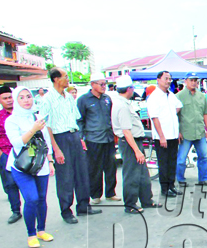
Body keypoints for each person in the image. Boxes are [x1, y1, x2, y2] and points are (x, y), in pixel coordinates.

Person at [40, 67, 102, 224]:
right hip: (59, 139)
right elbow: (46, 127)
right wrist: (55, 148)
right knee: (65, 177)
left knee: (82, 173)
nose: (68, 79)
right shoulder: (47, 99)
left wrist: (79, 138)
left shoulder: (68, 97)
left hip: (74, 136)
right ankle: (66, 210)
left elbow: (75, 120)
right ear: (56, 79)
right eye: (65, 76)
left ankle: (83, 206)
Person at [5, 87, 55, 248]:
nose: (26, 100)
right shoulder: (11, 120)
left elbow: (46, 141)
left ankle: (41, 230)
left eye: (28, 96)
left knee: (41, 198)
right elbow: (17, 143)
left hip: (40, 164)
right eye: (21, 97)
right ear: (16, 100)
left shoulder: (38, 116)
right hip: (21, 166)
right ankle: (31, 234)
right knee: (31, 198)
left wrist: (50, 161)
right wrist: (33, 129)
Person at [112, 75, 160, 213]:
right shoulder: (122, 106)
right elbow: (126, 131)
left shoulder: (124, 103)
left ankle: (146, 200)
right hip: (129, 142)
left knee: (143, 173)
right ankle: (130, 204)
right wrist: (137, 151)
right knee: (132, 174)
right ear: (129, 89)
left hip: (134, 140)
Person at [77, 72, 120, 205]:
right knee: (94, 168)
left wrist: (115, 133)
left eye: (105, 84)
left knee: (111, 166)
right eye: (101, 84)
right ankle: (95, 194)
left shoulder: (107, 98)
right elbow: (80, 120)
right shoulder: (83, 100)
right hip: (93, 138)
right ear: (92, 84)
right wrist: (81, 137)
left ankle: (110, 192)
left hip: (108, 138)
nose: (104, 86)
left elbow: (111, 117)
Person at [146, 70, 183, 197]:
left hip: (173, 135)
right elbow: (154, 118)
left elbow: (179, 106)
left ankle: (171, 185)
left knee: (172, 161)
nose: (168, 81)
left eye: (169, 79)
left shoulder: (171, 95)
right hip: (162, 137)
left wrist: (172, 118)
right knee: (164, 163)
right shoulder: (154, 97)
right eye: (166, 78)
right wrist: (162, 136)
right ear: (158, 79)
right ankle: (165, 188)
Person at [176, 72, 207, 186]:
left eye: (195, 80)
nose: (193, 82)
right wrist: (177, 131)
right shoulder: (179, 96)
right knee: (181, 159)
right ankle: (181, 179)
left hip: (200, 132)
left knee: (204, 157)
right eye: (191, 80)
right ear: (185, 81)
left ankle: (203, 179)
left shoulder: (202, 96)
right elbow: (174, 116)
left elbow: (205, 113)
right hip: (186, 132)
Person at [0, 86, 22, 223]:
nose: (9, 101)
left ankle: (33, 207)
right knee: (10, 183)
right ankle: (15, 211)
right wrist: (1, 154)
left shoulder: (21, 114)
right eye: (5, 98)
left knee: (29, 181)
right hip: (6, 153)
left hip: (23, 152)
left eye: (10, 97)